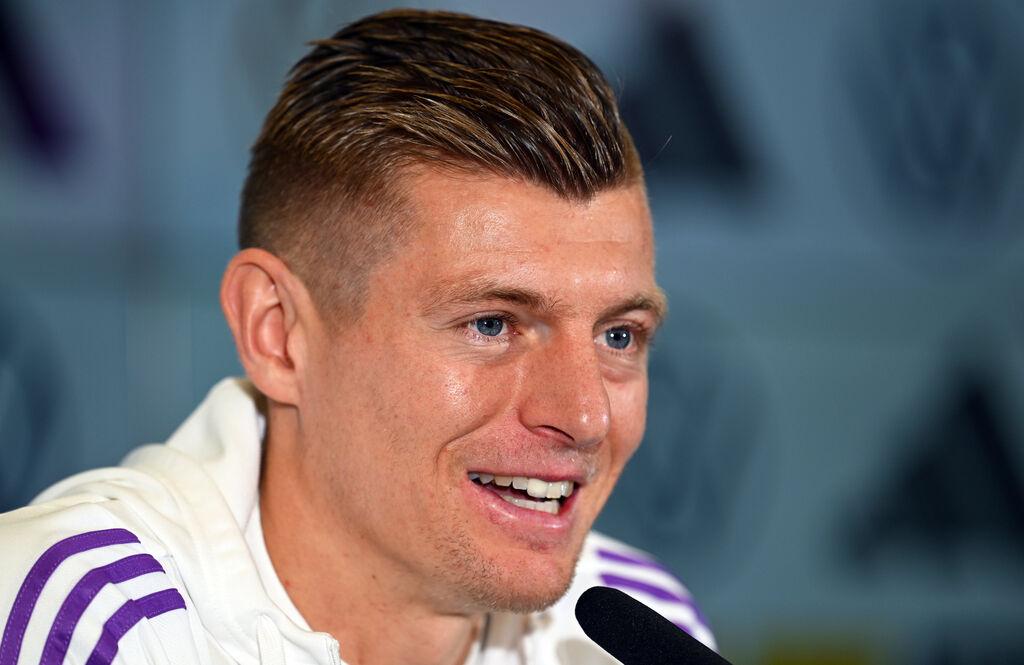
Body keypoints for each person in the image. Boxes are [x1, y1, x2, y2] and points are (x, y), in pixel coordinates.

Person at [0, 9, 715, 665]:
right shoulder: (82, 620)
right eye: (491, 324)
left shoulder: (645, 632)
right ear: (276, 332)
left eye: (619, 335)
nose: (586, 414)